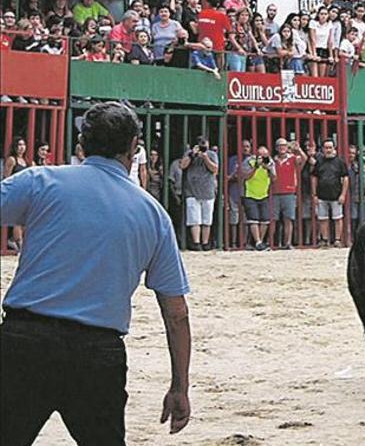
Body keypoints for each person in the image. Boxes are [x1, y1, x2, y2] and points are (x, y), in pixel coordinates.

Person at [0, 102, 191, 444]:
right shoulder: (153, 214)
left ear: (82, 144)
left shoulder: (40, 180)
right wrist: (179, 386)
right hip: (97, 352)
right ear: (134, 146)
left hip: (24, 341)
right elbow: (176, 313)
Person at [180, 135, 219, 251]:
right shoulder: (189, 153)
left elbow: (215, 169)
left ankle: (205, 242)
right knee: (194, 218)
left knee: (207, 219)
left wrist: (205, 157)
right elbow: (182, 165)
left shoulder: (212, 154)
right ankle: (196, 243)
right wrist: (192, 154)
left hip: (208, 190)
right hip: (192, 190)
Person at [311, 139, 349, 248]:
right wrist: (314, 195)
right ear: (322, 149)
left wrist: (343, 194)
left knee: (338, 218)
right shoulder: (319, 162)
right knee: (323, 219)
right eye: (326, 148)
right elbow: (314, 178)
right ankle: (325, 240)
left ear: (334, 148)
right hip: (321, 195)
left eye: (330, 147)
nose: (328, 150)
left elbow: (345, 178)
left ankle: (337, 240)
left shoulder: (340, 162)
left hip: (336, 195)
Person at [272, 138, 304, 250]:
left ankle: (287, 243)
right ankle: (272, 242)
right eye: (280, 146)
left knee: (288, 219)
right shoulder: (273, 160)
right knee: (273, 219)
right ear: (276, 148)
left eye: (284, 145)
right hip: (275, 192)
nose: (282, 148)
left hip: (289, 192)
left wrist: (298, 149)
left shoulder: (293, 159)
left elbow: (304, 160)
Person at [242, 145, 275, 251]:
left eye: (265, 155)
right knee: (253, 219)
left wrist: (268, 168)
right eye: (261, 155)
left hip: (264, 194)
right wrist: (256, 167)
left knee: (265, 220)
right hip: (250, 194)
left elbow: (274, 178)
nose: (263, 157)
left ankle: (258, 242)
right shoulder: (249, 161)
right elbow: (245, 176)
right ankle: (258, 242)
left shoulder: (270, 162)